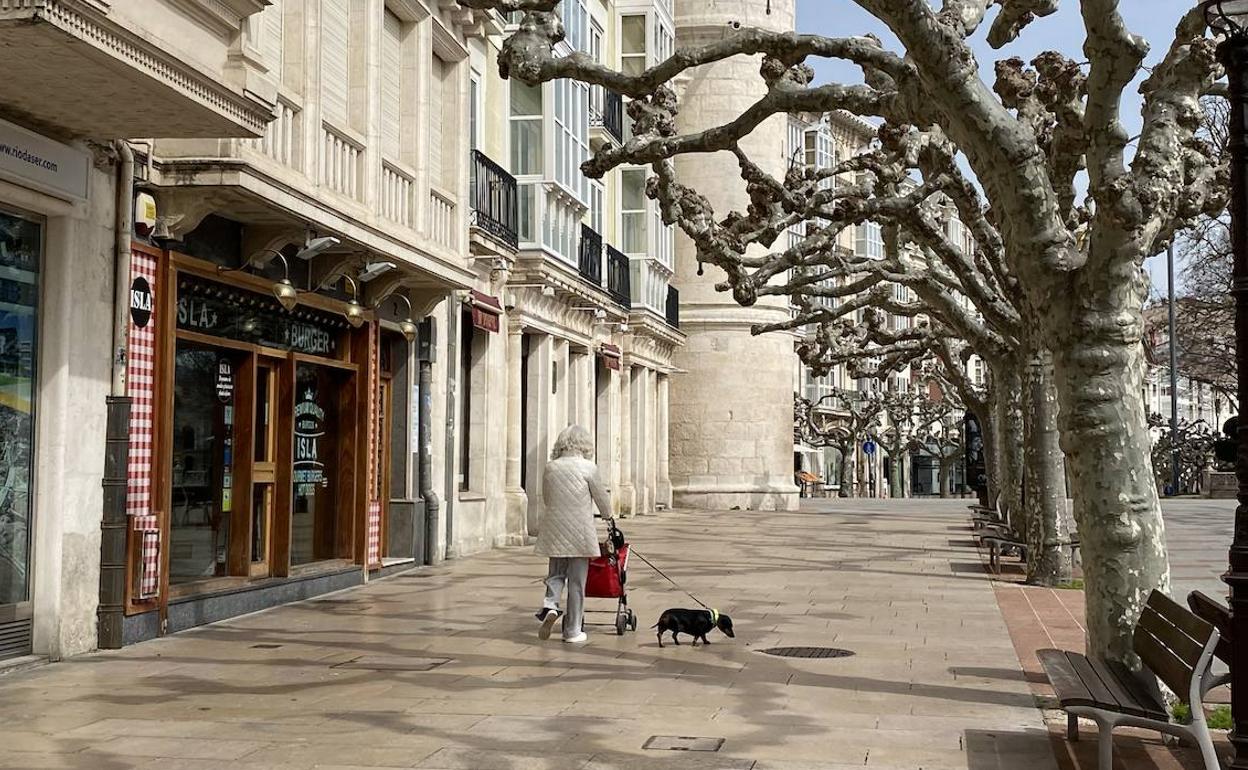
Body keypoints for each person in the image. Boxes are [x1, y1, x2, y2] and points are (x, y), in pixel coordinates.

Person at [535, 424, 611, 644]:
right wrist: (608, 515)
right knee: (577, 582)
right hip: (580, 531)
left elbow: (547, 498)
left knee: (556, 573)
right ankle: (572, 631)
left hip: (555, 528)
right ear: (585, 445)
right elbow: (601, 498)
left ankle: (550, 605)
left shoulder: (551, 467)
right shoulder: (589, 468)